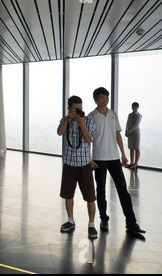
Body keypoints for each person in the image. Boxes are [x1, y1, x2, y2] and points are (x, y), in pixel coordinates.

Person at [88, 87, 145, 234]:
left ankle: (131, 224)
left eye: (107, 97)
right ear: (95, 99)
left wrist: (123, 154)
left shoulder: (113, 113)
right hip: (99, 159)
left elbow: (118, 134)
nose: (105, 100)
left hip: (114, 158)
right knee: (100, 191)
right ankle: (104, 220)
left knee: (123, 192)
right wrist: (90, 158)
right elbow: (88, 139)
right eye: (102, 97)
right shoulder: (91, 116)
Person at [57, 95, 97, 239]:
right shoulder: (65, 120)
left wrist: (81, 123)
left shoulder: (88, 121)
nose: (79, 111)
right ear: (69, 108)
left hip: (84, 165)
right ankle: (70, 220)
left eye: (80, 109)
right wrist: (68, 119)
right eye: (75, 109)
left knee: (90, 196)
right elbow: (59, 132)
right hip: (69, 164)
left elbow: (89, 139)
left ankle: (92, 224)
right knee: (68, 194)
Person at [125, 102, 142, 170]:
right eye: (132, 106)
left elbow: (136, 125)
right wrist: (126, 130)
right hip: (129, 133)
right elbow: (127, 123)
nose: (133, 108)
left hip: (135, 133)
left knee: (136, 148)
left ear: (137, 107)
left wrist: (129, 131)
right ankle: (131, 162)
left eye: (134, 106)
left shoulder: (138, 115)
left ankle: (136, 163)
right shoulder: (130, 115)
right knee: (131, 147)